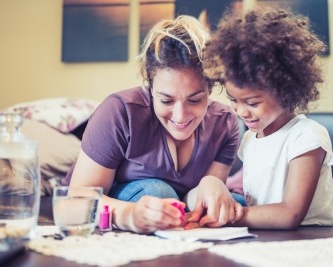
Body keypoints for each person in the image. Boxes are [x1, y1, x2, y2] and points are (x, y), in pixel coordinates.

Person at [67, 15, 243, 233]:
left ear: (210, 88)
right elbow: (77, 198)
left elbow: (195, 203)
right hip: (115, 203)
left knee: (237, 205)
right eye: (166, 100)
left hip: (176, 207)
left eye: (195, 100)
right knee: (158, 193)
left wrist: (211, 186)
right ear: (150, 86)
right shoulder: (119, 112)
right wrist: (129, 216)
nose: (180, 116)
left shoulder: (225, 123)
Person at [204, 7, 333, 229]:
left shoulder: (306, 137)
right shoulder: (249, 139)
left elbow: (289, 214)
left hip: (308, 240)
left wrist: (232, 215)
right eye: (233, 99)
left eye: (253, 103)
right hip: (263, 236)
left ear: (286, 90)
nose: (241, 111)